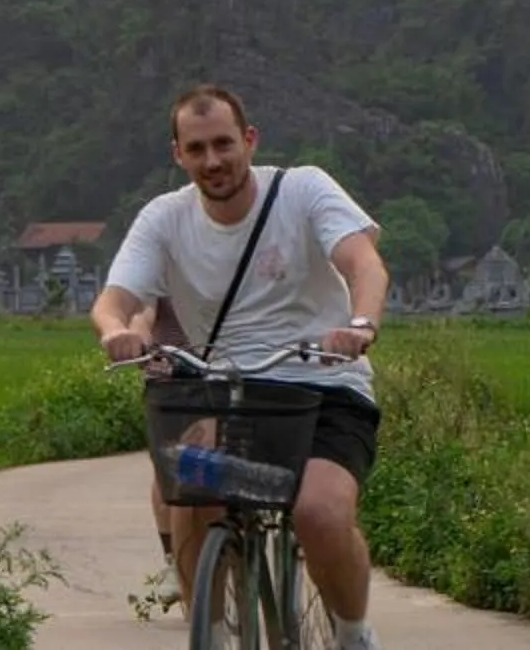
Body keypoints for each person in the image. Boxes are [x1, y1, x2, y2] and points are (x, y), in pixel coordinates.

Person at [91, 84, 390, 650]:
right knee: (189, 485)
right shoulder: (164, 217)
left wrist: (359, 326)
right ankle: (212, 629)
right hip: (228, 392)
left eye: (224, 144)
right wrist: (119, 332)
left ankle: (353, 632)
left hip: (322, 384)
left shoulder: (304, 190)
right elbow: (114, 300)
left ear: (249, 141)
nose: (213, 161)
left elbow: (364, 263)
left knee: (319, 513)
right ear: (178, 154)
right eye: (197, 149)